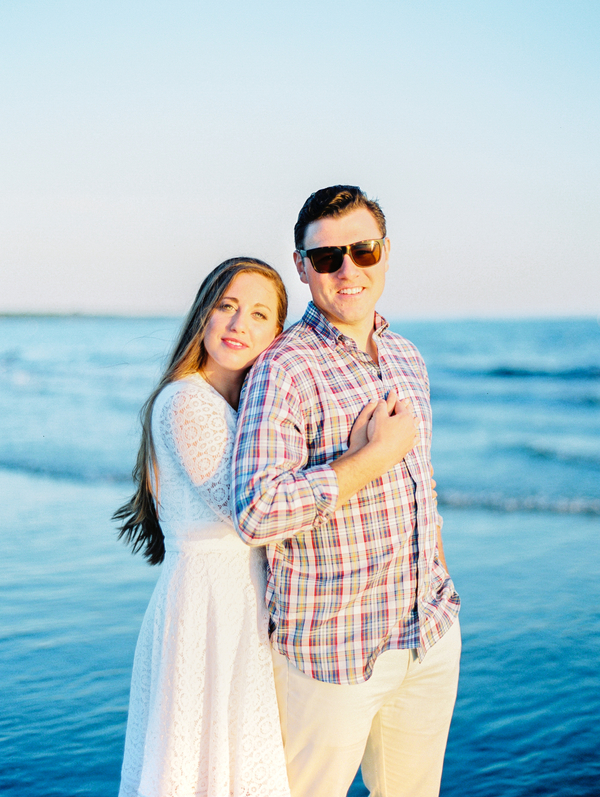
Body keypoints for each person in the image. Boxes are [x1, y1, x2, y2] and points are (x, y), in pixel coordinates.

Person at [232, 186, 461, 797]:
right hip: (331, 654)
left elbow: (422, 485)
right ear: (303, 267)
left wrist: (439, 576)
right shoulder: (284, 368)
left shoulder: (408, 358)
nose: (348, 270)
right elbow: (256, 511)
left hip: (428, 633)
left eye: (362, 250)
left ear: (385, 253)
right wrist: (367, 459)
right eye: (328, 257)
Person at [114, 257, 291, 797]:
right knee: (195, 766)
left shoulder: (241, 407)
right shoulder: (187, 399)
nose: (240, 324)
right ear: (203, 315)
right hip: (207, 607)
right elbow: (249, 511)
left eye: (259, 314)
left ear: (277, 334)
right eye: (227, 306)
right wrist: (368, 457)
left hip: (237, 600)